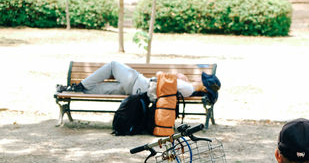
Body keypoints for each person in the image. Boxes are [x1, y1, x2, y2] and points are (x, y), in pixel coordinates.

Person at [56, 61, 220, 101]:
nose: (200, 78)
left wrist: (175, 75)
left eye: (203, 81)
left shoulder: (187, 87)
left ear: (205, 88)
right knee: (102, 89)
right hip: (137, 91)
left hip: (138, 83)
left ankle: (80, 86)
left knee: (113, 64)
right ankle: (71, 90)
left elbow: (159, 76)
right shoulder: (188, 90)